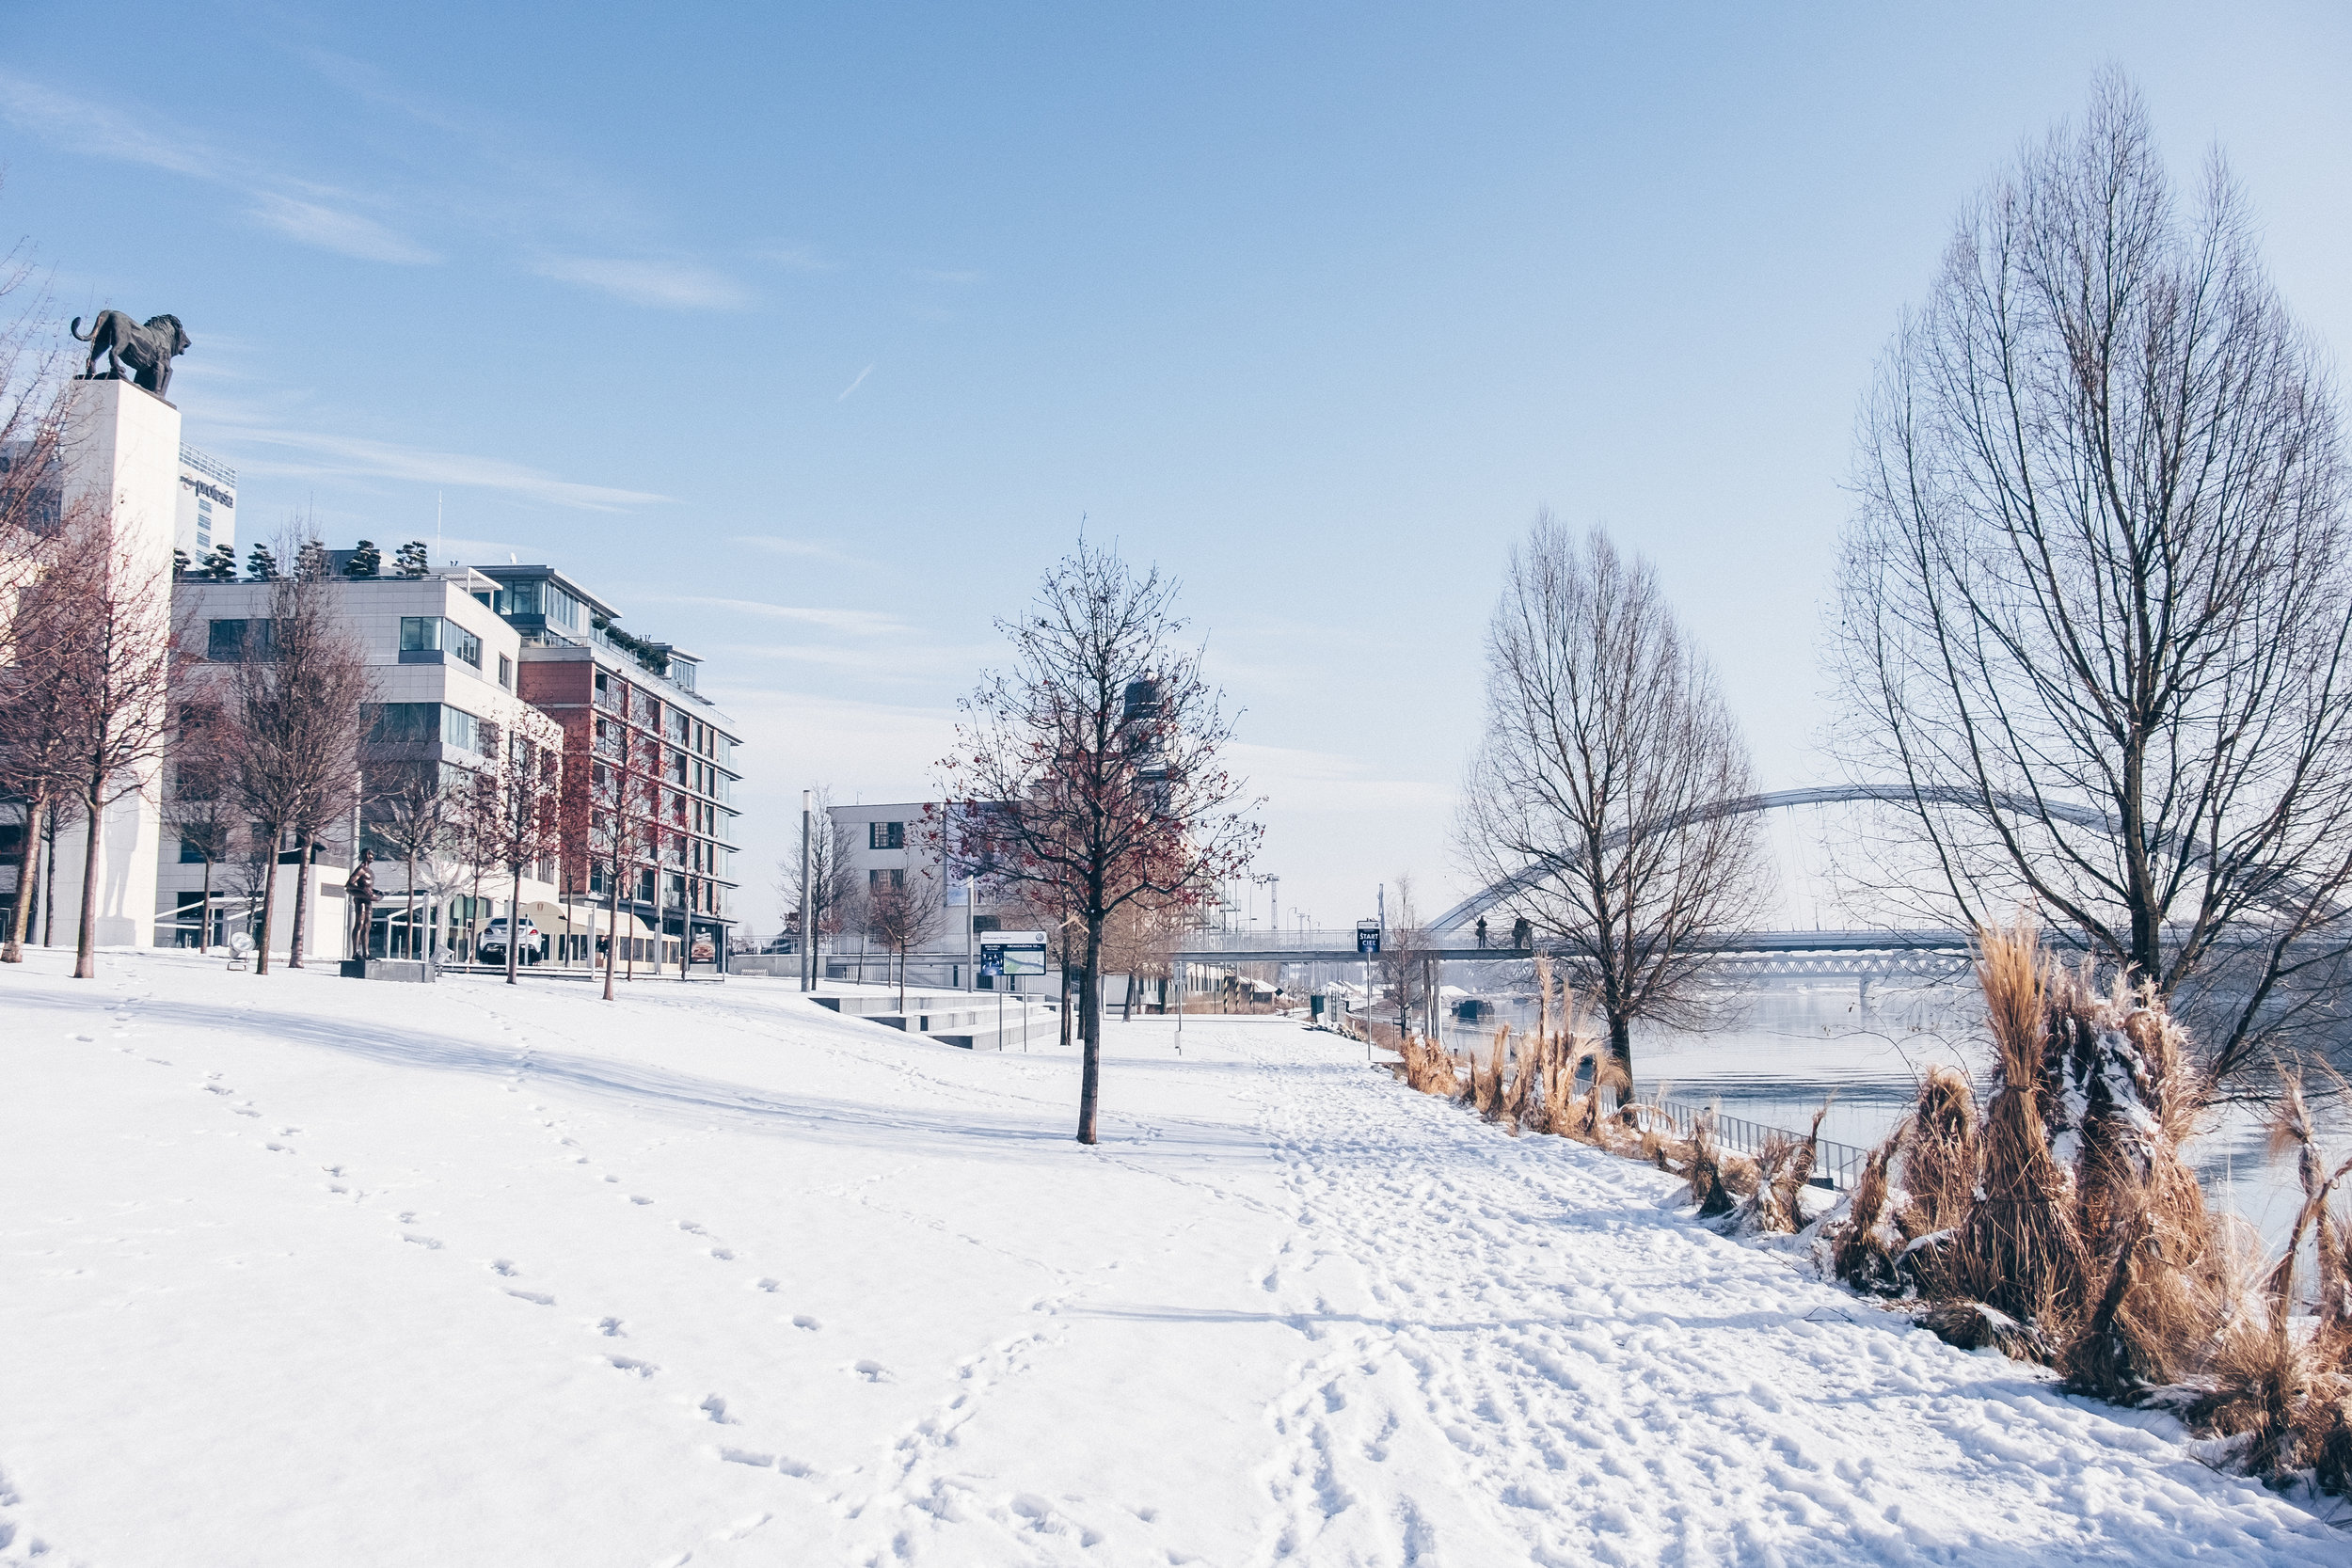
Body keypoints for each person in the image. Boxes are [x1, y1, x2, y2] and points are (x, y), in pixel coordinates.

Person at [346, 850, 377, 959]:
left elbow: (369, 887)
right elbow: (349, 884)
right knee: (360, 923)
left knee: (367, 926)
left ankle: (366, 953)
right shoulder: (361, 869)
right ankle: (355, 953)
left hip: (368, 899)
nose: (372, 856)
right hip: (360, 899)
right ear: (364, 855)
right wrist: (362, 889)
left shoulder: (370, 871)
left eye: (373, 854)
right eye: (370, 854)